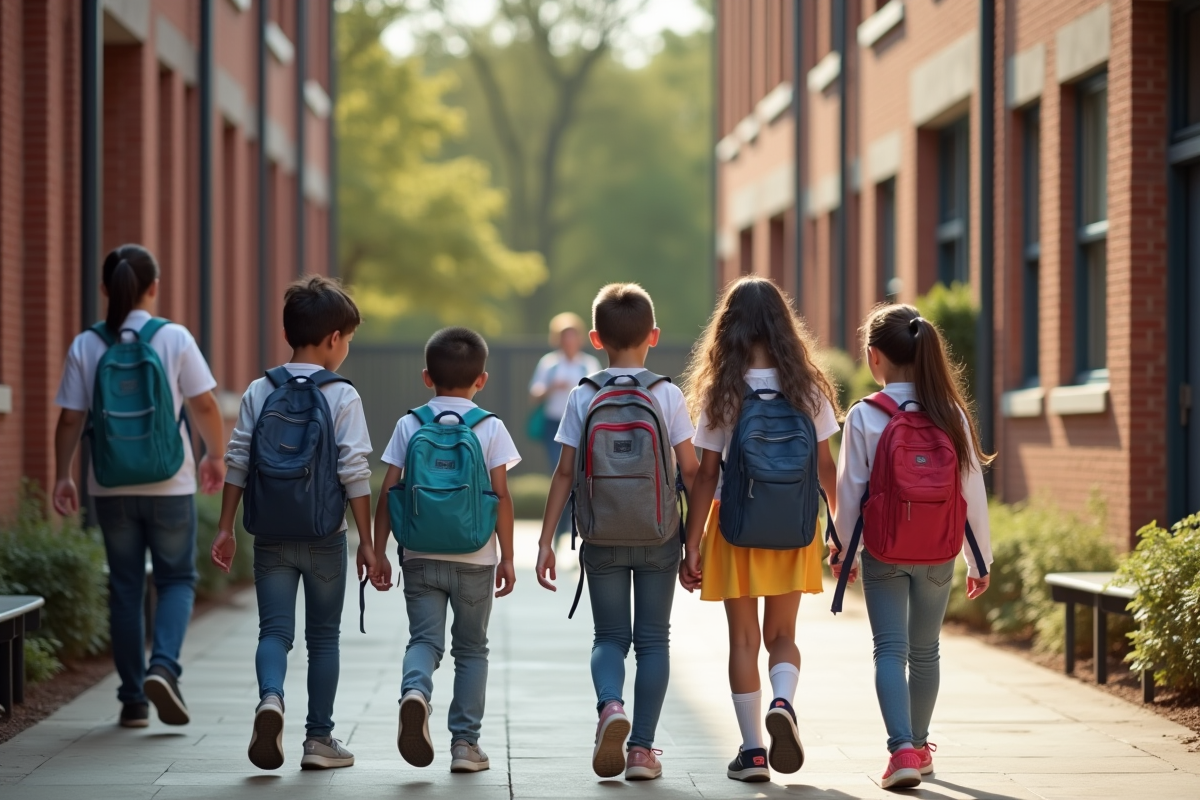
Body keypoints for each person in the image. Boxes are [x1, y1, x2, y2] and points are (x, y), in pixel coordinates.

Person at [52, 244, 227, 730]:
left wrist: (63, 474)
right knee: (175, 580)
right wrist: (215, 455)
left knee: (126, 587)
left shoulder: (87, 344)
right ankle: (163, 667)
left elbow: (70, 418)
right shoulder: (173, 337)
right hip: (170, 481)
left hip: (110, 485)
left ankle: (132, 700)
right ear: (153, 288)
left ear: (106, 290)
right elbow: (206, 406)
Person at [678, 276, 840, 783]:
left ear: (728, 329)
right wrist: (838, 529)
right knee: (783, 635)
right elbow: (826, 468)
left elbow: (706, 474)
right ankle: (784, 703)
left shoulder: (722, 391)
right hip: (795, 528)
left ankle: (751, 753)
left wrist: (691, 541)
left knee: (744, 639)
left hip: (735, 526)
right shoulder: (809, 387)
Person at [211, 275, 374, 771]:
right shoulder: (342, 395)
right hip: (324, 535)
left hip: (271, 534)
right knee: (323, 637)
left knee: (274, 631)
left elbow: (237, 459)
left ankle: (270, 700)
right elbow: (355, 472)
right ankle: (319, 741)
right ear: (332, 340)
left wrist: (224, 528)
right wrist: (368, 541)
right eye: (347, 339)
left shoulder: (261, 389)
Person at [536, 283, 698, 782]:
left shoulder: (585, 394)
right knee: (653, 641)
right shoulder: (667, 393)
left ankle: (610, 707)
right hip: (659, 535)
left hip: (601, 533)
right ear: (653, 336)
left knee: (608, 636)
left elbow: (565, 472)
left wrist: (545, 542)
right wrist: (697, 543)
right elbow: (690, 471)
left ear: (595, 338)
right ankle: (643, 751)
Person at [830, 303, 993, 790]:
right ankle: (919, 747)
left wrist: (841, 551)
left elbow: (851, 491)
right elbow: (971, 492)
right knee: (926, 652)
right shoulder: (952, 414)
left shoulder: (864, 416)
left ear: (873, 357)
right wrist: (978, 558)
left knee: (889, 651)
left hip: (884, 550)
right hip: (939, 552)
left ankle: (899, 749)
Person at [369, 327, 519, 774]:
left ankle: (415, 692)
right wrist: (508, 557)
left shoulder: (410, 423)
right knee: (472, 650)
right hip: (475, 557)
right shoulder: (490, 427)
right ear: (482, 380)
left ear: (426, 376)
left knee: (424, 641)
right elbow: (502, 497)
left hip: (418, 554)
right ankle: (465, 746)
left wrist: (377, 551)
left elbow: (388, 493)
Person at [528, 312, 601, 545]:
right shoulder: (549, 364)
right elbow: (534, 394)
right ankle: (560, 534)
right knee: (560, 474)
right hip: (554, 426)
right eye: (564, 336)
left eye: (572, 335)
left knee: (577, 478)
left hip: (581, 427)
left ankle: (569, 531)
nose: (569, 341)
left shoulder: (588, 364)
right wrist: (551, 387)